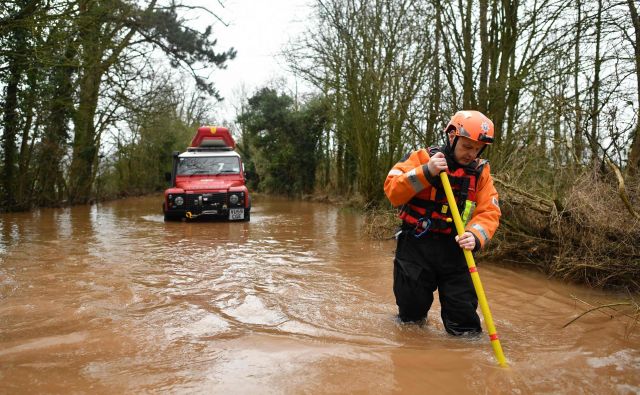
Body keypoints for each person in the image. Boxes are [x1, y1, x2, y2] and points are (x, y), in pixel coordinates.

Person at [383, 110, 501, 335]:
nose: (471, 153)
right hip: (416, 246)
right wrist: (426, 172)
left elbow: (490, 211)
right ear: (451, 137)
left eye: (477, 148)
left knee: (465, 324)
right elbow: (392, 190)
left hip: (456, 249)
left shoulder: (480, 172)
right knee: (410, 320)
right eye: (467, 146)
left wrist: (475, 236)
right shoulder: (422, 158)